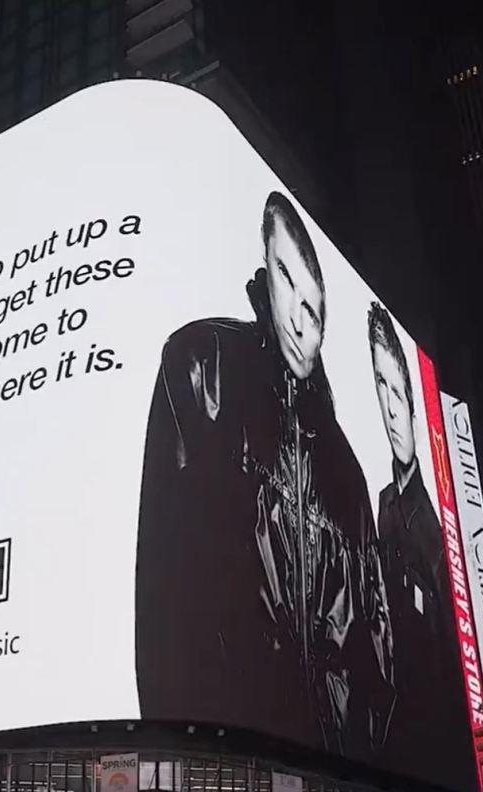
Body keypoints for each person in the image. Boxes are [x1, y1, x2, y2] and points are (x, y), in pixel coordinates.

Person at [135, 191, 394, 758]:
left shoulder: (347, 475)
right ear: (265, 270)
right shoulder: (204, 361)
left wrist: (358, 763)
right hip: (230, 751)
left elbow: (374, 642)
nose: (301, 323)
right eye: (287, 281)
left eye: (315, 310)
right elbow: (163, 580)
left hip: (327, 762)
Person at [366, 302, 474, 786]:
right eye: (379, 387)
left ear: (412, 399)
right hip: (392, 742)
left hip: (440, 750)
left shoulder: (435, 529)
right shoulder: (384, 504)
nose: (391, 407)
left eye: (397, 389)